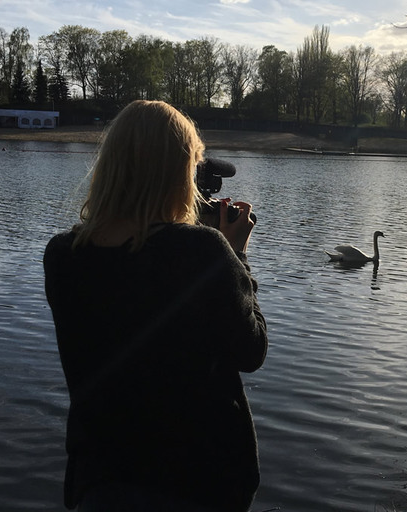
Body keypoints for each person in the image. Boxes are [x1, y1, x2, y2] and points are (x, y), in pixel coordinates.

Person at [43, 100, 268, 512]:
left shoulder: (62, 255)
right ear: (179, 173)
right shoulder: (202, 252)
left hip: (101, 478)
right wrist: (237, 255)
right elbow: (250, 351)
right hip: (197, 483)